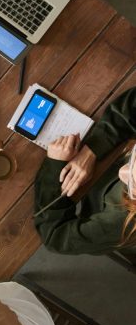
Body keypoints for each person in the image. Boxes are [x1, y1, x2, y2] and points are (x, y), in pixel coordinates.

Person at [34, 87, 136, 260]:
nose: (123, 171)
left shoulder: (124, 222)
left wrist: (54, 166)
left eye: (133, 186)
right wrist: (92, 150)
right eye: (133, 159)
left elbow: (56, 237)